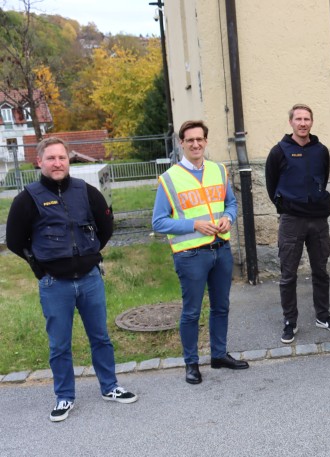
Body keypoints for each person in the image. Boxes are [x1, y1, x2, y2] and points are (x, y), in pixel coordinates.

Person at [6, 137, 138, 422]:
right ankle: (64, 396)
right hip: (55, 285)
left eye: (62, 158)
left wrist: (88, 257)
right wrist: (40, 268)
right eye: (51, 158)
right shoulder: (27, 198)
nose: (57, 163)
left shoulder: (86, 192)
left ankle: (110, 387)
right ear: (39, 162)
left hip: (90, 279)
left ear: (69, 160)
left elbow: (105, 227)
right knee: (59, 345)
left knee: (100, 338)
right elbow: (15, 241)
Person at [152, 120, 249, 385]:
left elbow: (230, 202)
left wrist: (229, 217)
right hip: (191, 255)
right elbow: (158, 222)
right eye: (190, 140)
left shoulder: (219, 170)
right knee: (192, 312)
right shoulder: (170, 178)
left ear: (206, 141)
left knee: (221, 306)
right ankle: (191, 364)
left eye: (200, 139)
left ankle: (218, 355)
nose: (195, 144)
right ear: (181, 143)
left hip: (221, 249)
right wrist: (193, 224)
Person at [265, 104, 330, 344]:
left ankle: (323, 315)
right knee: (288, 274)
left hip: (318, 220)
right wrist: (287, 206)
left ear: (311, 122)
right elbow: (272, 186)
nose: (302, 123)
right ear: (291, 122)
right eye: (298, 119)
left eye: (306, 119)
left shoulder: (321, 151)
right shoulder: (278, 151)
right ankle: (290, 321)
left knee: (321, 271)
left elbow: (324, 177)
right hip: (291, 221)